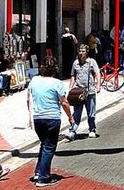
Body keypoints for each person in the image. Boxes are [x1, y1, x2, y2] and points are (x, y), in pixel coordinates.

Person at [28, 56, 74, 187]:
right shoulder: (57, 83)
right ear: (55, 69)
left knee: (44, 144)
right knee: (49, 147)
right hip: (52, 118)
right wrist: (70, 117)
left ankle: (39, 171)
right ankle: (43, 177)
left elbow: (29, 95)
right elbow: (64, 102)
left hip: (38, 118)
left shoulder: (34, 80)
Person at [67, 45, 101, 141]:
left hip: (89, 91)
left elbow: (97, 74)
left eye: (83, 51)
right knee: (76, 113)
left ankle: (92, 129)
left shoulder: (92, 62)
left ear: (87, 52)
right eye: (80, 51)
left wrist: (98, 85)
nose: (81, 53)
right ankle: (73, 131)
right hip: (78, 92)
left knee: (91, 113)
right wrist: (70, 88)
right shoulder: (75, 63)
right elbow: (73, 76)